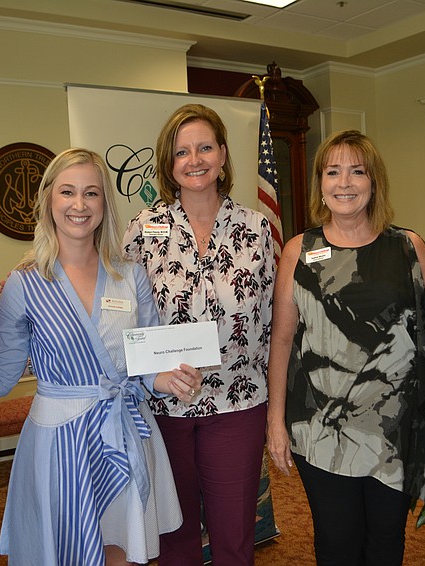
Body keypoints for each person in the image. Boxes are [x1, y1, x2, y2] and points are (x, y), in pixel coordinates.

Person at [0, 148, 202, 566]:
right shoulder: (23, 285)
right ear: (49, 200)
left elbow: (145, 363)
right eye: (67, 192)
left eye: (91, 194)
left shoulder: (130, 275)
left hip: (123, 430)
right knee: (68, 550)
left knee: (121, 550)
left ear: (104, 204)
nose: (79, 205)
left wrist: (169, 379)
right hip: (58, 440)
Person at [265, 130, 425, 566]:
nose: (345, 182)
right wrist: (275, 421)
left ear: (374, 181)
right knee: (337, 540)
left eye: (357, 171)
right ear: (320, 184)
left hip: (394, 427)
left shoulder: (408, 246)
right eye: (333, 171)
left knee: (385, 542)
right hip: (321, 426)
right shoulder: (298, 251)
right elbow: (283, 340)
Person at [123, 103, 275, 565]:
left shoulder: (256, 228)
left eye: (205, 147)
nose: (195, 160)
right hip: (164, 405)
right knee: (175, 535)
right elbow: (115, 312)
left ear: (224, 154)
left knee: (234, 536)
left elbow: (272, 317)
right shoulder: (143, 230)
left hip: (238, 401)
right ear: (168, 165)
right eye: (181, 151)